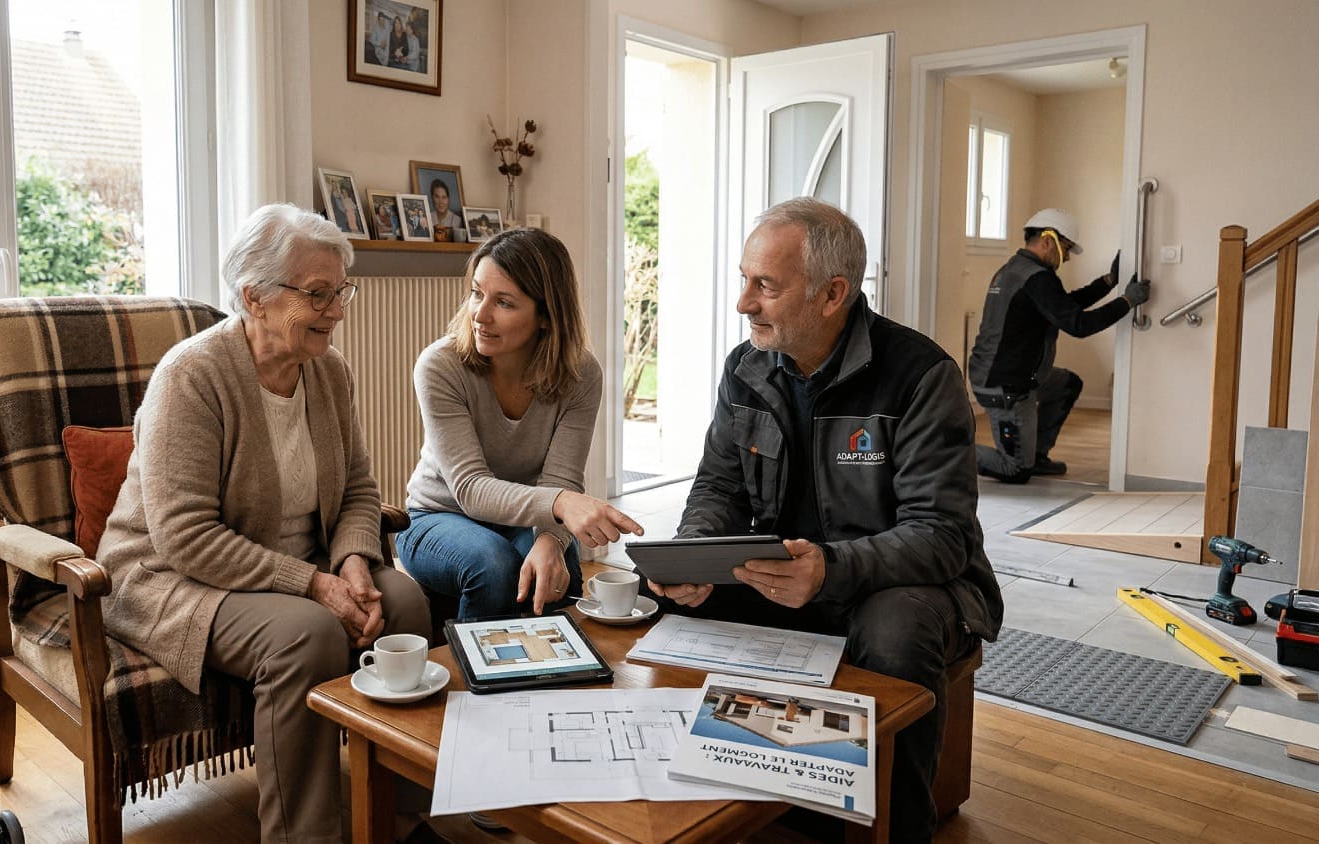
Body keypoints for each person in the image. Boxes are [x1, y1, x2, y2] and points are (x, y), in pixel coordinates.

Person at [647, 198, 1002, 842]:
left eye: (765, 286)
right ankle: (713, 807)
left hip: (901, 587)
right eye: (744, 279)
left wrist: (831, 567)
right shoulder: (746, 368)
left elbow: (942, 535)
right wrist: (694, 556)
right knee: (675, 605)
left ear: (832, 293)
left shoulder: (922, 376)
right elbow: (719, 485)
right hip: (787, 574)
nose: (743, 304)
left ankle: (894, 828)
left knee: (895, 632)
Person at [99, 203, 432, 843]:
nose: (337, 310)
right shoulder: (192, 376)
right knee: (307, 635)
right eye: (317, 294)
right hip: (173, 576)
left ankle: (403, 813)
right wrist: (314, 585)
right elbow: (185, 537)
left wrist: (354, 560)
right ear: (254, 297)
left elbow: (359, 488)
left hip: (297, 563)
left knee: (406, 602)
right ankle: (302, 836)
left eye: (341, 291)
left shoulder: (329, 372)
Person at [396, 227, 643, 619]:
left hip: (528, 518)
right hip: (438, 517)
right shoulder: (440, 366)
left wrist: (550, 539)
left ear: (546, 315)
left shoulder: (581, 373)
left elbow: (562, 477)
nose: (480, 314)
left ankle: (554, 677)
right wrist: (561, 506)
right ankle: (478, 676)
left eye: (504, 303)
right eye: (477, 293)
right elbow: (471, 489)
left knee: (559, 575)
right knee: (493, 565)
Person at [968, 208, 1151, 483]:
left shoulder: (1016, 270)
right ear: (1047, 240)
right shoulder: (1037, 278)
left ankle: (1037, 455)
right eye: (1065, 249)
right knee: (1015, 469)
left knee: (1067, 384)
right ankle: (946, 450)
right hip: (1006, 385)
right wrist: (1126, 302)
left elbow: (1063, 306)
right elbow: (1078, 325)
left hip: (1011, 374)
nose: (1065, 257)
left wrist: (1108, 282)